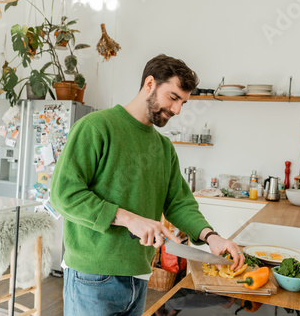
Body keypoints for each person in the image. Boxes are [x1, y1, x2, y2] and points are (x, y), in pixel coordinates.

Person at [50, 54, 245, 316]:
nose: (177, 110)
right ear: (150, 83)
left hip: (141, 277)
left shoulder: (163, 148)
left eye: (183, 103)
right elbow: (64, 195)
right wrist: (130, 219)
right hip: (92, 278)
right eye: (173, 97)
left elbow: (179, 203)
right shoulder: (96, 127)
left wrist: (211, 237)